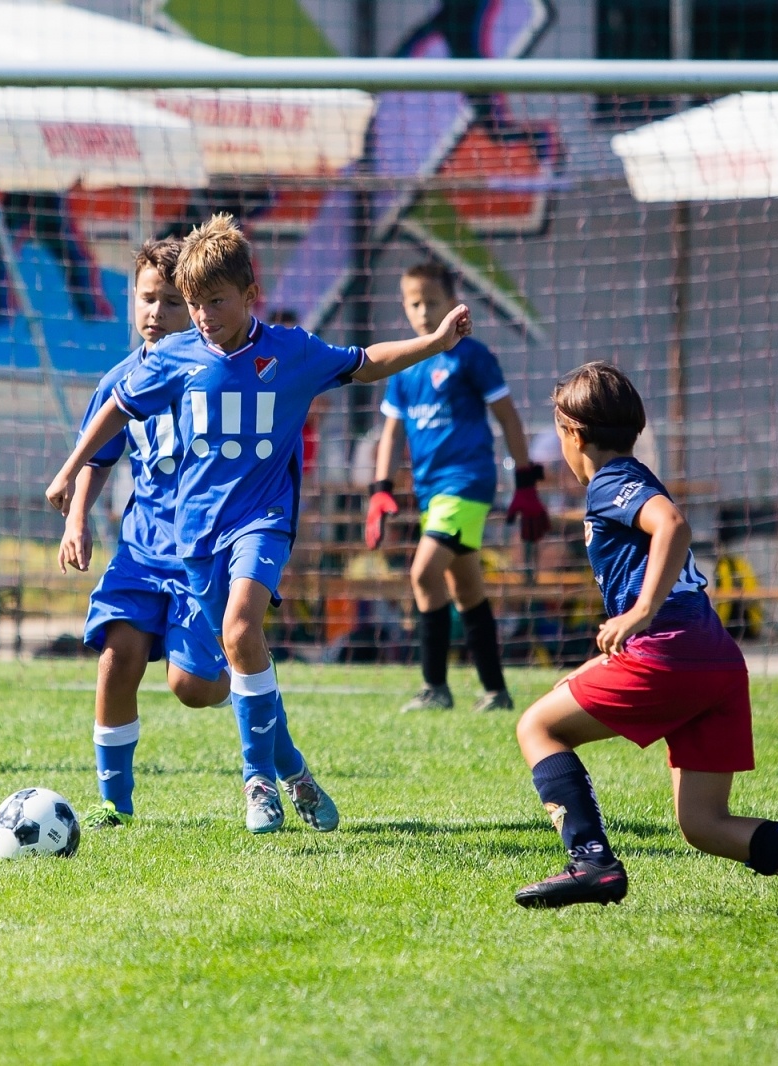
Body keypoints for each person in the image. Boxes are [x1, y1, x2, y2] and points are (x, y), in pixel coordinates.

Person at [46, 213, 473, 834]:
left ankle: (258, 784)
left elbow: (366, 359)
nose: (200, 316)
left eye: (211, 302)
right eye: (189, 304)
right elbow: (116, 407)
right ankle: (290, 764)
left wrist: (433, 343)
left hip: (262, 523)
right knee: (194, 685)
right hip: (192, 534)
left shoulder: (291, 352)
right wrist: (70, 474)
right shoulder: (175, 357)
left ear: (250, 297)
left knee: (244, 629)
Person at [510, 362, 778, 918]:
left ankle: (590, 862)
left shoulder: (612, 480)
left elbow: (673, 525)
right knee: (703, 824)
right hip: (714, 660)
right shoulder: (628, 477)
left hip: (669, 654)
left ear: (572, 432)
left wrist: (640, 611)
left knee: (537, 726)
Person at [58, 238, 230, 829]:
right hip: (141, 550)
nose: (155, 313)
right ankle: (114, 801)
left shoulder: (216, 374)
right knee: (117, 656)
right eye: (145, 299)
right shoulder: (120, 379)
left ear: (194, 308)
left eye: (170, 303)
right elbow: (98, 458)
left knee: (189, 686)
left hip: (204, 553)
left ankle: (239, 679)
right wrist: (78, 517)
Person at [367, 260, 549, 714]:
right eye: (415, 303)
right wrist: (380, 488)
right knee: (466, 588)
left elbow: (508, 417)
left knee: (423, 573)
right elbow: (390, 432)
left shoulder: (473, 357)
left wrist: (525, 482)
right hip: (431, 491)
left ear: (453, 303)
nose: (424, 311)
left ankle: (435, 687)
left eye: (433, 301)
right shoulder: (405, 367)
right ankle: (496, 691)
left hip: (468, 483)